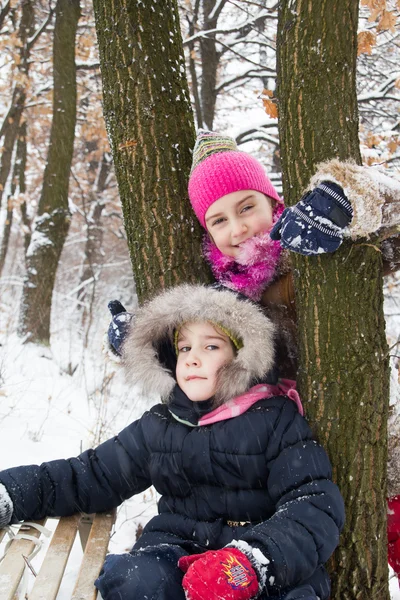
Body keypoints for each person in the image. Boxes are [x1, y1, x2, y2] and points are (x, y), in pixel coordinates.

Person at [106, 129, 400, 582]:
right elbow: (205, 361)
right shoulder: (222, 292)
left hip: (368, 432)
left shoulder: (310, 244)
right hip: (286, 460)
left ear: (272, 203)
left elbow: (392, 222)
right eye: (218, 220)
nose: (238, 228)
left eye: (247, 207)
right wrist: (143, 340)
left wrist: (345, 203)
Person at [0, 284, 344, 600]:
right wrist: (12, 493)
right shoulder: (161, 425)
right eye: (184, 347)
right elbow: (88, 476)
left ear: (242, 356)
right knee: (133, 580)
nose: (193, 358)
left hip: (260, 563)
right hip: (176, 550)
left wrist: (251, 563)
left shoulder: (277, 418)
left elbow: (313, 506)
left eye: (211, 346)